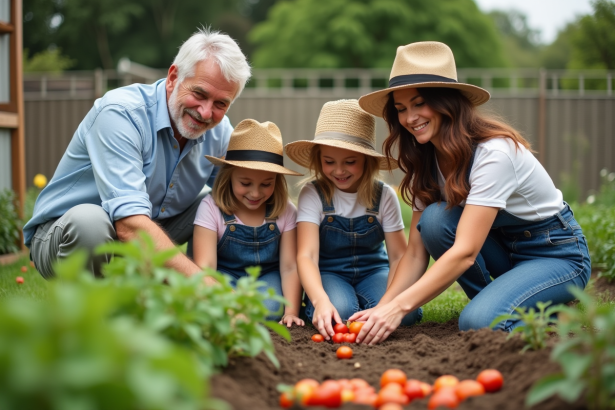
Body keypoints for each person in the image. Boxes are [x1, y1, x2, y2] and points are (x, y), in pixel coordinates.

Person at [350, 41, 591, 344]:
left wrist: (399, 307)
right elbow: (415, 252)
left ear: (447, 102)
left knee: (477, 322)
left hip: (555, 253)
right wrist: (383, 308)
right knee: (435, 221)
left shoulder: (494, 153)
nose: (410, 118)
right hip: (505, 253)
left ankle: (525, 308)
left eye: (419, 103)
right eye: (401, 109)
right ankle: (507, 303)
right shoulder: (427, 159)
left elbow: (464, 253)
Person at [23, 28, 251, 280]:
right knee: (90, 222)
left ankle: (200, 301)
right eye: (199, 93)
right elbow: (129, 226)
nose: (206, 113)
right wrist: (206, 288)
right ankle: (90, 313)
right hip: (64, 236)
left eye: (221, 104)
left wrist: (295, 225)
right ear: (174, 77)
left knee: (221, 201)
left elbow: (250, 192)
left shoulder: (219, 132)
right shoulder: (121, 114)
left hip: (145, 231)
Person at [285, 99, 422, 340]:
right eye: (329, 162)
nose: (339, 171)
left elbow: (399, 256)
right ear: (319, 159)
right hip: (330, 272)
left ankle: (363, 300)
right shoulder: (313, 194)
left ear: (367, 160)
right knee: (341, 313)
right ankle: (344, 299)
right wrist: (320, 300)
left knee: (407, 315)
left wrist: (388, 304)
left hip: (374, 270)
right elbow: (306, 255)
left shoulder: (384, 196)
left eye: (350, 162)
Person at [192, 119, 304, 326]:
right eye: (245, 183)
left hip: (266, 276)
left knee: (271, 309)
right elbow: (205, 267)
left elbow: (289, 267)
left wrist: (291, 312)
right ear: (228, 176)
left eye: (266, 184)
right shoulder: (211, 208)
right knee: (221, 307)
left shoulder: (286, 211)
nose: (255, 193)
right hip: (224, 275)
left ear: (277, 181)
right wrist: (226, 298)